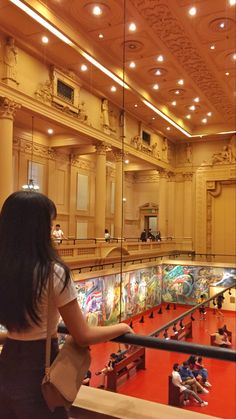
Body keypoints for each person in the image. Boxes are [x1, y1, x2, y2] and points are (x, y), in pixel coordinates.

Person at [0, 191, 133, 419]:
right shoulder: (53, 272)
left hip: (6, 365)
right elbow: (82, 335)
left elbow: (17, 329)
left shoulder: (5, 269)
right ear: (39, 228)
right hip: (39, 370)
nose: (53, 231)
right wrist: (121, 328)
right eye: (50, 224)